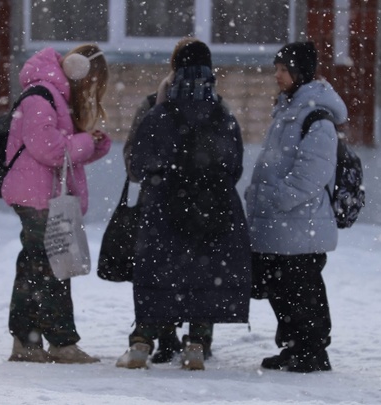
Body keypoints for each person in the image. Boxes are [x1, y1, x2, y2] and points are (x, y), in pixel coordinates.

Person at [117, 40, 251, 370]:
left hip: (164, 206)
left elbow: (137, 163)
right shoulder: (222, 114)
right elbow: (234, 165)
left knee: (159, 273)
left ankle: (142, 341)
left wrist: (165, 181)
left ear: (175, 71)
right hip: (213, 207)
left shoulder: (157, 113)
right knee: (204, 275)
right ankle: (196, 344)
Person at [1, 44, 112, 363]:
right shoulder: (40, 96)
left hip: (46, 194)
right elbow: (49, 150)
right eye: (92, 83)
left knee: (42, 266)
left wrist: (93, 145)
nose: (90, 91)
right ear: (79, 71)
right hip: (36, 196)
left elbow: (61, 151)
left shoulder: (53, 96)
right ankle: (56, 342)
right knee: (49, 268)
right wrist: (82, 142)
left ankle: (30, 341)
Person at [244, 41, 348, 373]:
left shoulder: (316, 116)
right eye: (277, 68)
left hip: (300, 222)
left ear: (300, 73)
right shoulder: (288, 110)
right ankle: (293, 347)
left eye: (283, 70)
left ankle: (313, 350)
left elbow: (313, 172)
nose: (277, 75)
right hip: (281, 222)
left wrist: (279, 197)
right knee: (281, 288)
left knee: (304, 291)